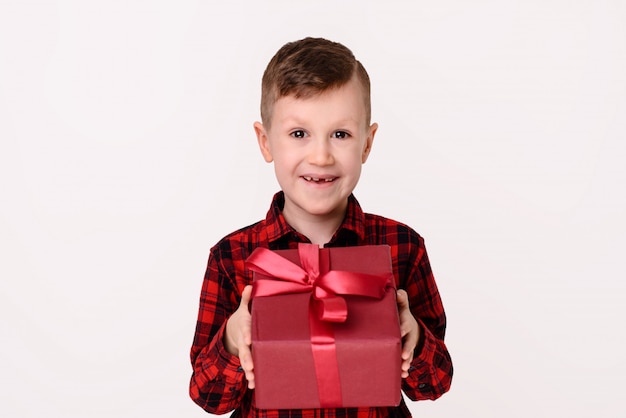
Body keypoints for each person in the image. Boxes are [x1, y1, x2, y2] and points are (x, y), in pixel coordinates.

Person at [189, 37, 452, 417]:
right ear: (266, 143)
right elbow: (207, 397)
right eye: (299, 134)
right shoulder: (232, 257)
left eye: (340, 134)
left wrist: (413, 339)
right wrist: (232, 340)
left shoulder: (402, 246)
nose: (321, 155)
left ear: (367, 143)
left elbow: (436, 384)